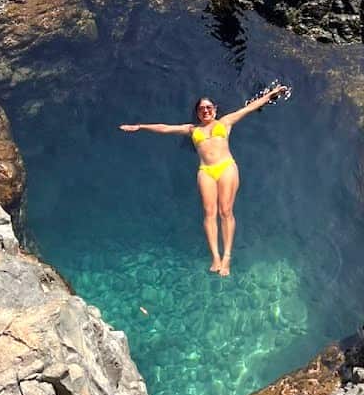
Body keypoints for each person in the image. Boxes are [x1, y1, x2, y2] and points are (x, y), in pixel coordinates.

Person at [120, 84, 288, 276]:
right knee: (209, 213)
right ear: (198, 113)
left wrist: (272, 93)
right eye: (201, 109)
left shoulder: (225, 122)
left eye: (208, 107)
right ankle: (215, 257)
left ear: (214, 109)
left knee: (225, 211)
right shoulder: (192, 129)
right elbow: (165, 128)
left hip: (226, 167)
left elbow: (249, 108)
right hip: (206, 171)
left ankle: (227, 257)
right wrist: (140, 126)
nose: (205, 111)